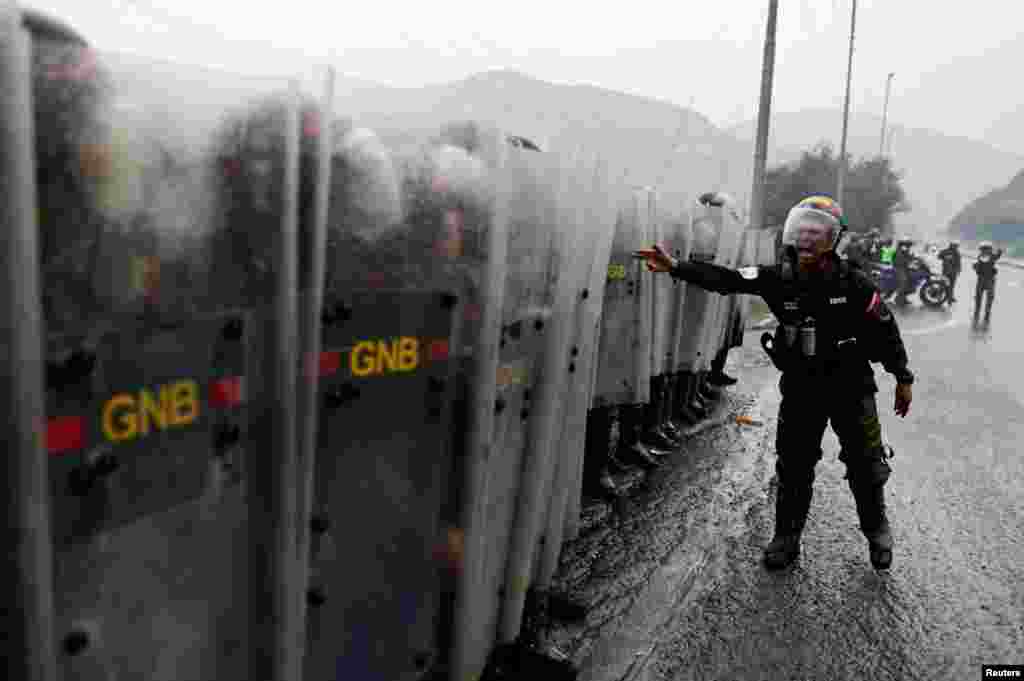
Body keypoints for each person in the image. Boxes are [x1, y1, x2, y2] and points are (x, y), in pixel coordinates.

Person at [633, 196, 914, 571]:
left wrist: (902, 377)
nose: (808, 239)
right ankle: (786, 537)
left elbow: (884, 330)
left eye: (817, 232)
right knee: (794, 465)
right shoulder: (777, 279)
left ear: (833, 239)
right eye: (803, 230)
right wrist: (675, 267)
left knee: (867, 466)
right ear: (791, 234)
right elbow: (727, 280)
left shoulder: (855, 284)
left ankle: (877, 531)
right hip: (802, 389)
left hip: (852, 387)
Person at [972, 241, 1003, 327]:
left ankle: (983, 312)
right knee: (983, 297)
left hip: (987, 280)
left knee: (985, 297)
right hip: (986, 280)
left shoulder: (986, 256)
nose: (984, 250)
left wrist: (1000, 251)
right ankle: (983, 312)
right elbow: (997, 255)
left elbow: (997, 255)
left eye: (986, 249)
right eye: (984, 249)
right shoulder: (985, 257)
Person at [892, 238, 915, 306]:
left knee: (910, 280)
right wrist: (909, 262)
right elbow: (900, 260)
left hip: (904, 267)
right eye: (908, 244)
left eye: (909, 244)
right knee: (904, 281)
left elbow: (908, 257)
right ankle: (898, 298)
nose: (909, 246)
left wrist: (914, 258)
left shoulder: (904, 250)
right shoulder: (899, 250)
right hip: (899, 268)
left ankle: (904, 298)